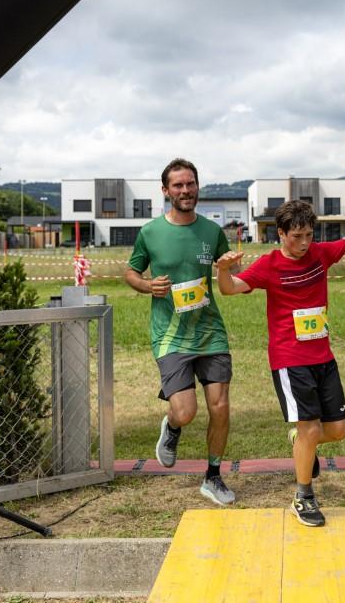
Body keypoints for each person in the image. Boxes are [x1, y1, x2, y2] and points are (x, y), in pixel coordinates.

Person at [215, 200, 345, 527]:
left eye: (309, 235)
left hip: (323, 357)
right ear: (281, 233)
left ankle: (301, 441)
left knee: (338, 431)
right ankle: (303, 496)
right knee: (311, 429)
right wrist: (223, 269)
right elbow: (230, 289)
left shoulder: (319, 254)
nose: (303, 243)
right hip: (290, 360)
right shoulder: (269, 265)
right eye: (296, 236)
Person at [123, 158, 236, 506]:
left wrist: (228, 268)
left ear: (197, 186)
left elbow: (228, 274)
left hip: (210, 332)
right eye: (178, 185)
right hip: (170, 336)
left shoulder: (212, 232)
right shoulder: (151, 232)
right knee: (186, 412)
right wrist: (147, 285)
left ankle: (213, 476)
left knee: (220, 407)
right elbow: (130, 272)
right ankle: (172, 426)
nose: (185, 190)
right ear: (165, 190)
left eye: (190, 184)